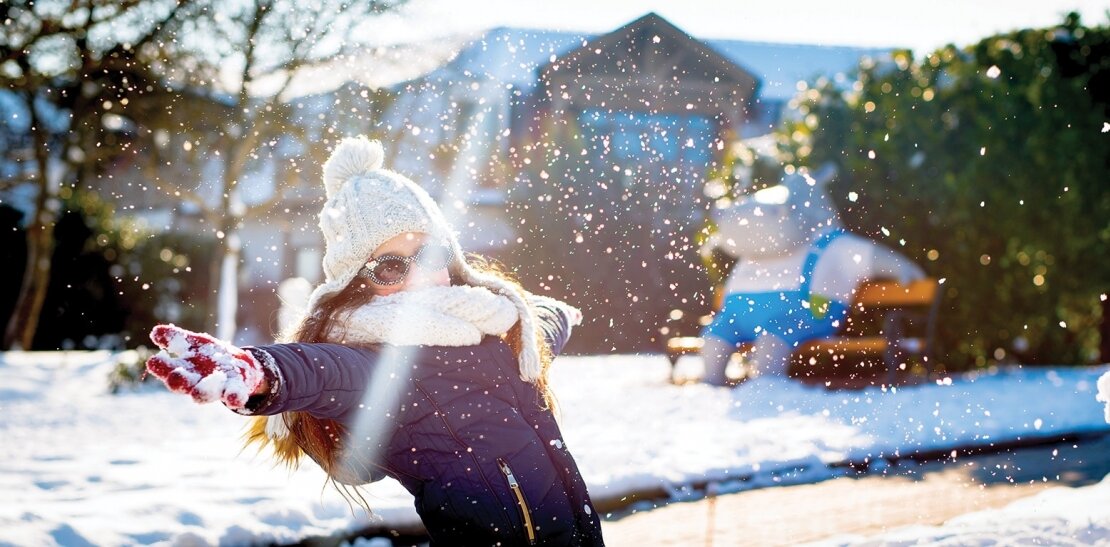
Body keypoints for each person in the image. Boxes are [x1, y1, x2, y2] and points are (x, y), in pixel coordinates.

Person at [145, 136, 605, 546]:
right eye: (389, 266)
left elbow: (539, 324)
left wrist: (558, 313)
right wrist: (264, 371)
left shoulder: (498, 325)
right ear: (358, 283)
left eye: (429, 253)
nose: (420, 275)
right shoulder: (380, 368)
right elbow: (323, 372)